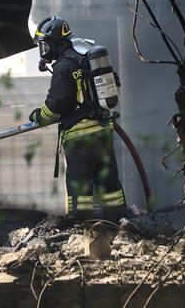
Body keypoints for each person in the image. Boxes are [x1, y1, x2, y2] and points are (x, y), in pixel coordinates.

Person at [28, 16, 127, 222]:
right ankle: (117, 221)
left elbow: (56, 104)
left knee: (79, 182)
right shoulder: (86, 57)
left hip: (79, 137)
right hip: (102, 131)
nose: (44, 50)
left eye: (45, 45)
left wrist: (40, 116)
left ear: (55, 42)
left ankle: (82, 223)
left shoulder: (64, 67)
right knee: (108, 179)